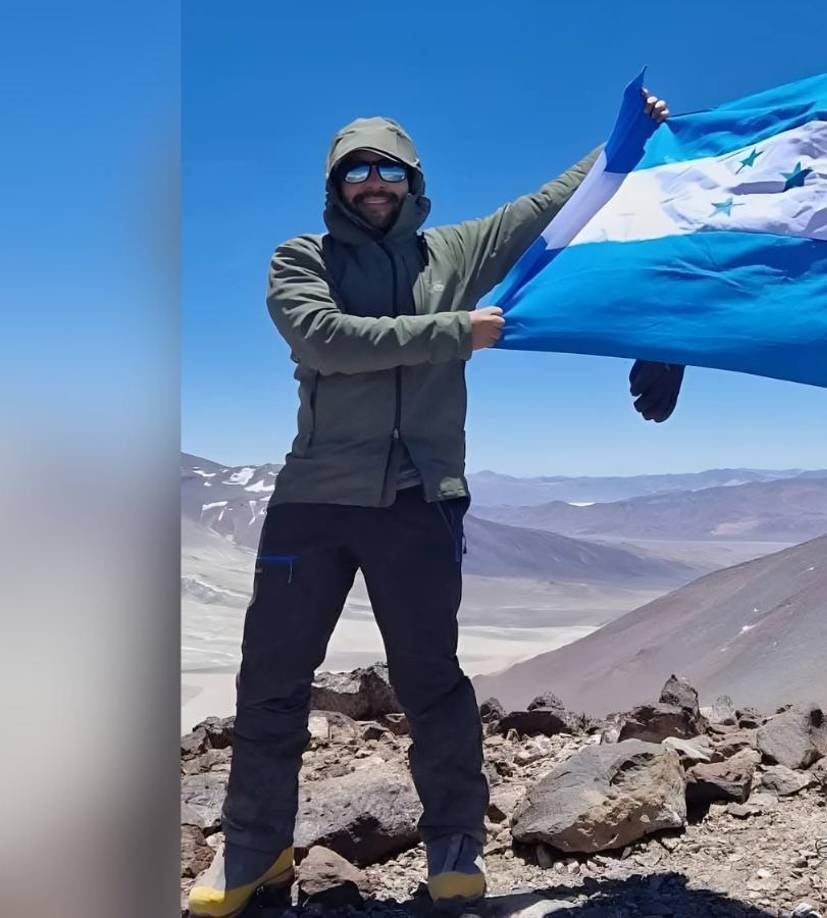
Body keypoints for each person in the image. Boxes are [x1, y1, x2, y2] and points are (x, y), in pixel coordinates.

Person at [187, 90, 671, 917]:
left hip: (421, 503)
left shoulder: (451, 251)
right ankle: (254, 855)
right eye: (356, 171)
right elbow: (323, 341)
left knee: (432, 682)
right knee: (271, 684)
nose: (373, 182)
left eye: (389, 170)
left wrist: (627, 137)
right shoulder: (300, 257)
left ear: (412, 180)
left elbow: (545, 210)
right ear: (335, 185)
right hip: (315, 503)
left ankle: (454, 851)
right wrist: (458, 332)